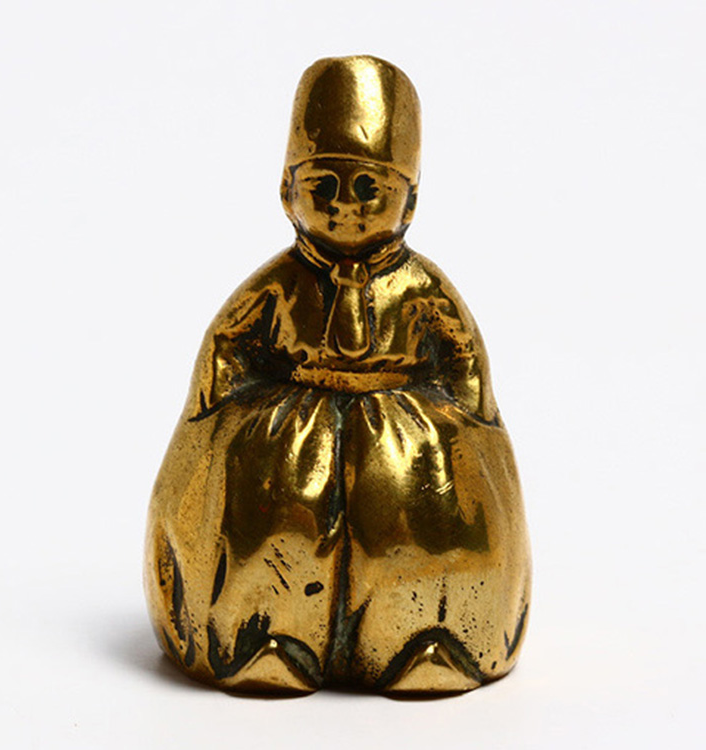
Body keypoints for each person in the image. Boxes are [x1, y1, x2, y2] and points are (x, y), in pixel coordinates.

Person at [145, 55, 531, 694]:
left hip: (405, 441)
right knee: (276, 521)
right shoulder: (279, 285)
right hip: (292, 437)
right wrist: (224, 421)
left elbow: (465, 366)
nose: (344, 207)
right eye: (322, 186)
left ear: (410, 202)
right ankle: (266, 638)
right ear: (285, 191)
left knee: (424, 521)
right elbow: (227, 349)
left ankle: (428, 638)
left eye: (369, 188)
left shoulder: (421, 287)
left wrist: (463, 426)